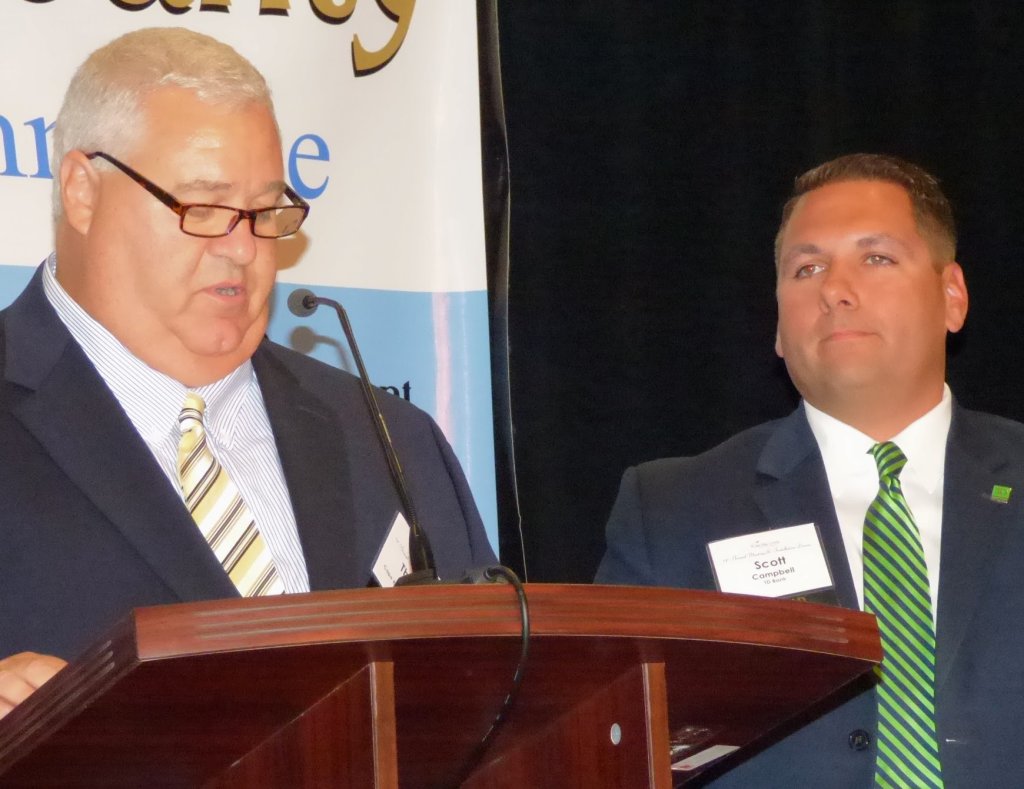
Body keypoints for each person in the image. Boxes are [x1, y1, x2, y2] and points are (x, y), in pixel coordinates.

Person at [0, 28, 494, 721]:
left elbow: (498, 705)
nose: (242, 248)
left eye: (264, 212)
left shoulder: (392, 445)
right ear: (83, 191)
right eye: (202, 208)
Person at [596, 153, 1024, 787]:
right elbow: (609, 748)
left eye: (875, 258)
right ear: (777, 324)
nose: (834, 288)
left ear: (951, 296)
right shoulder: (671, 512)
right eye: (807, 268)